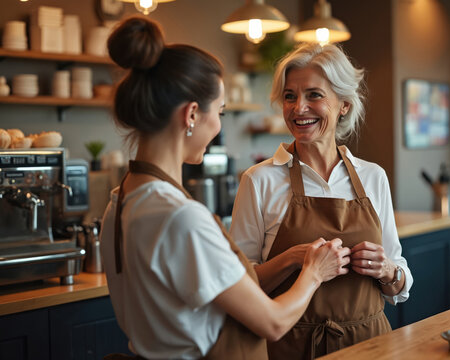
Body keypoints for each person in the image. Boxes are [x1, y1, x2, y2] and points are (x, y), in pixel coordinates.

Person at [99, 17, 351, 360]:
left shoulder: (119, 203)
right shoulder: (182, 218)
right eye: (219, 112)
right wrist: (314, 272)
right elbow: (274, 323)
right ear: (191, 115)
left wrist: (292, 258)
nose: (217, 125)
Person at [230, 43, 414, 360]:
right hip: (290, 348)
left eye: (314, 95)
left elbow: (400, 282)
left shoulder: (372, 177)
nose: (299, 108)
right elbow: (239, 285)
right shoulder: (258, 181)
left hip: (371, 347)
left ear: (343, 104)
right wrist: (291, 258)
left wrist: (386, 270)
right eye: (290, 96)